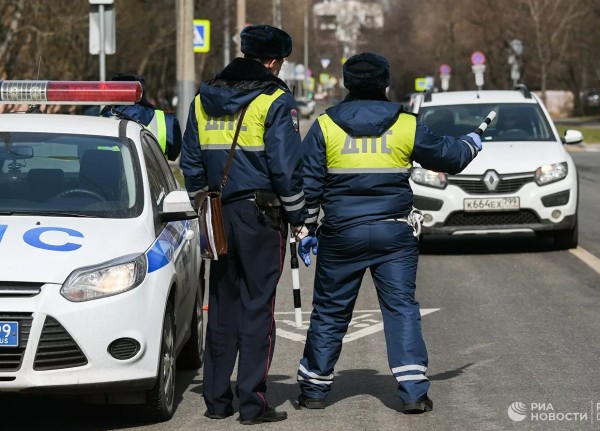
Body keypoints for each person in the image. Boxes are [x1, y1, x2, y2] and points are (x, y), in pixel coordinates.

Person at [296, 52, 482, 414]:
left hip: (341, 236)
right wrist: (472, 142)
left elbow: (308, 181)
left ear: (347, 83)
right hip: (393, 235)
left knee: (331, 312)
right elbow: (450, 157)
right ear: (385, 83)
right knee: (401, 310)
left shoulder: (326, 126)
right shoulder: (405, 124)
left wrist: (305, 225)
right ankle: (413, 392)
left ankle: (315, 391)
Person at [179, 24, 308, 425]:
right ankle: (252, 404)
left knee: (221, 306)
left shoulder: (203, 96)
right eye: (282, 63)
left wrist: (206, 202)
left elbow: (191, 162)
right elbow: (285, 169)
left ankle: (217, 401)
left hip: (215, 212)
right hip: (260, 216)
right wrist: (299, 217)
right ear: (273, 61)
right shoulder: (273, 100)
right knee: (257, 308)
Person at [100, 74, 182, 161]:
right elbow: (174, 154)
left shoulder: (102, 118)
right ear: (141, 92)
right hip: (151, 173)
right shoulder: (166, 121)